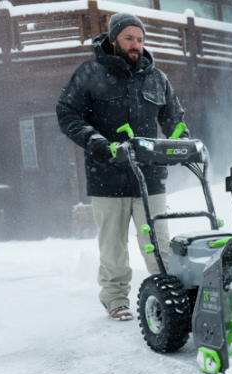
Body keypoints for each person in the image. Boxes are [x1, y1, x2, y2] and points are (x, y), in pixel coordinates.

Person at [56, 13, 189, 321]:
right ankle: (116, 298)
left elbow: (174, 121)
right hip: (107, 176)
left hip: (150, 176)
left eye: (140, 39)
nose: (135, 45)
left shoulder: (156, 78)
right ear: (114, 39)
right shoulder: (90, 73)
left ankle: (170, 296)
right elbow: (67, 112)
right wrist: (94, 140)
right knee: (113, 248)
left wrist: (184, 143)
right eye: (129, 38)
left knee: (160, 245)